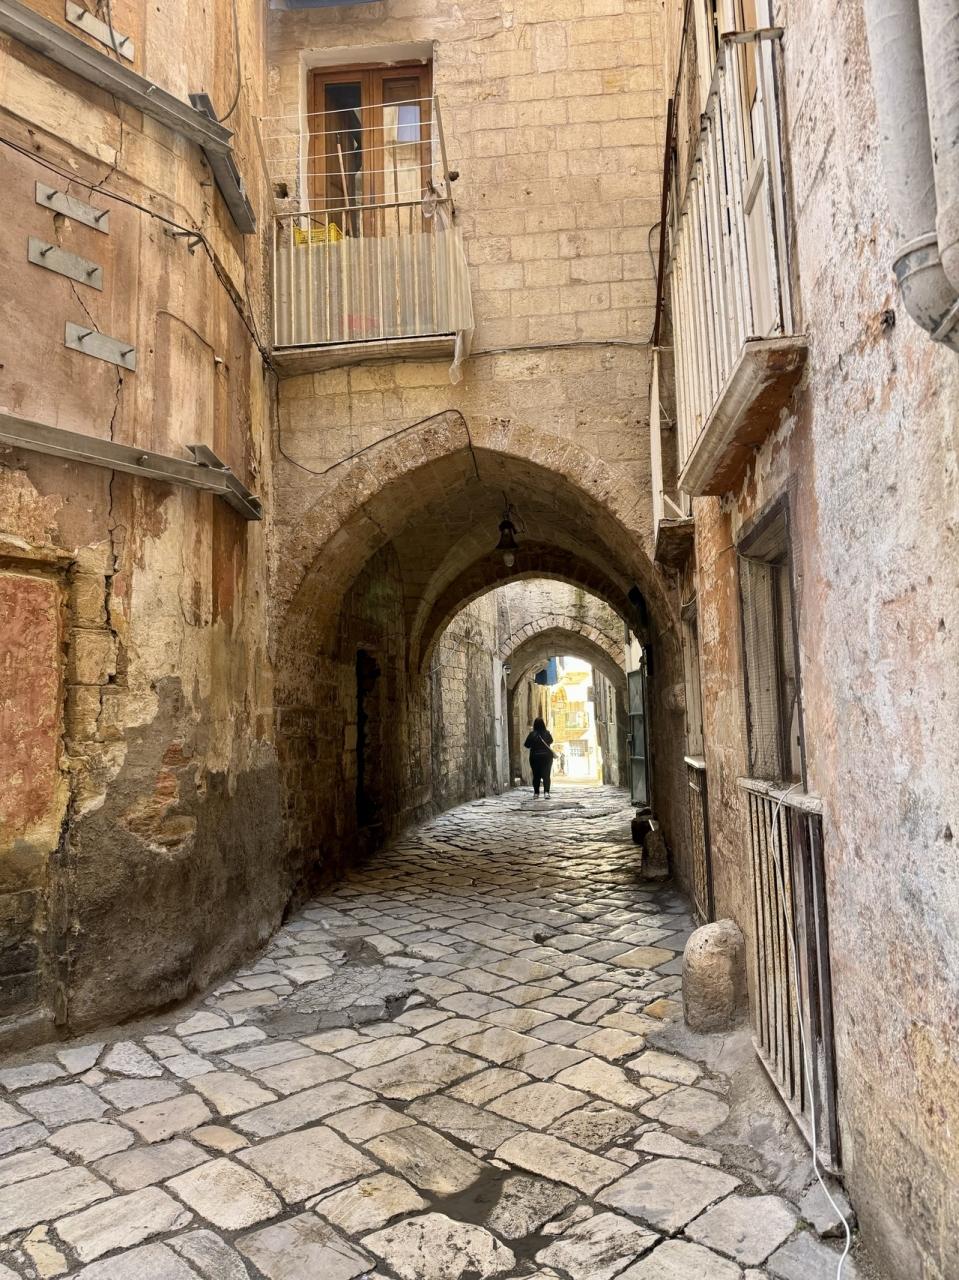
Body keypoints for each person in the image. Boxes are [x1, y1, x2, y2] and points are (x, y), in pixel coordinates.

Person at [524, 717, 555, 798]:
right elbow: (551, 741)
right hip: (547, 757)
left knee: (536, 775)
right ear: (543, 724)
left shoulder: (532, 734)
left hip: (535, 757)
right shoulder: (547, 733)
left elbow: (526, 745)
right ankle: (546, 793)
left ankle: (536, 793)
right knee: (546, 775)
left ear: (535, 725)